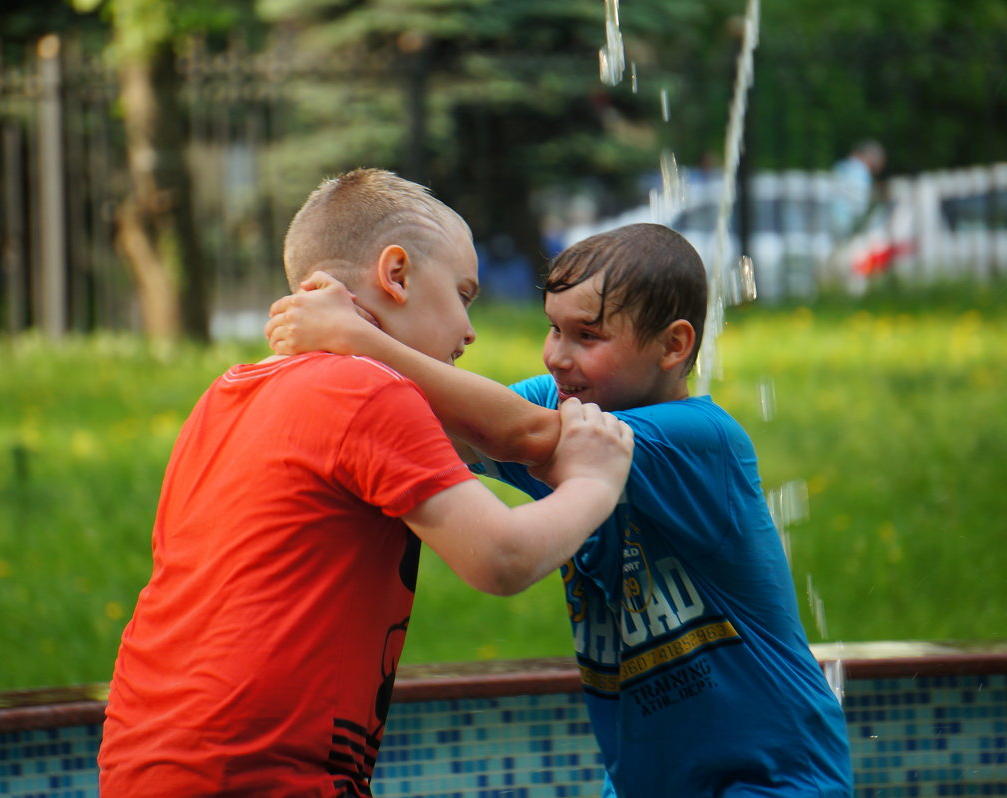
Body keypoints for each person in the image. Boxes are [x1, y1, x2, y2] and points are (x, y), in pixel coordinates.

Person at [266, 222, 854, 797]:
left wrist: (360, 340)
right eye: (552, 329)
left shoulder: (699, 439)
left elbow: (517, 433)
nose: (555, 356)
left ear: (674, 346)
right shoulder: (567, 400)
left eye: (587, 337)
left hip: (775, 777)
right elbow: (450, 428)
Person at [97, 168, 634, 797]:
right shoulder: (366, 390)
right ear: (397, 275)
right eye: (464, 295)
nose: (470, 331)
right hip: (255, 773)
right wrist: (595, 484)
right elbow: (501, 557)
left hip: (143, 754)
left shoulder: (226, 395)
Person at [831, 138, 886, 236]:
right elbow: (859, 207)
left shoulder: (841, 167)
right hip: (845, 224)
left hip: (829, 220)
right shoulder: (861, 173)